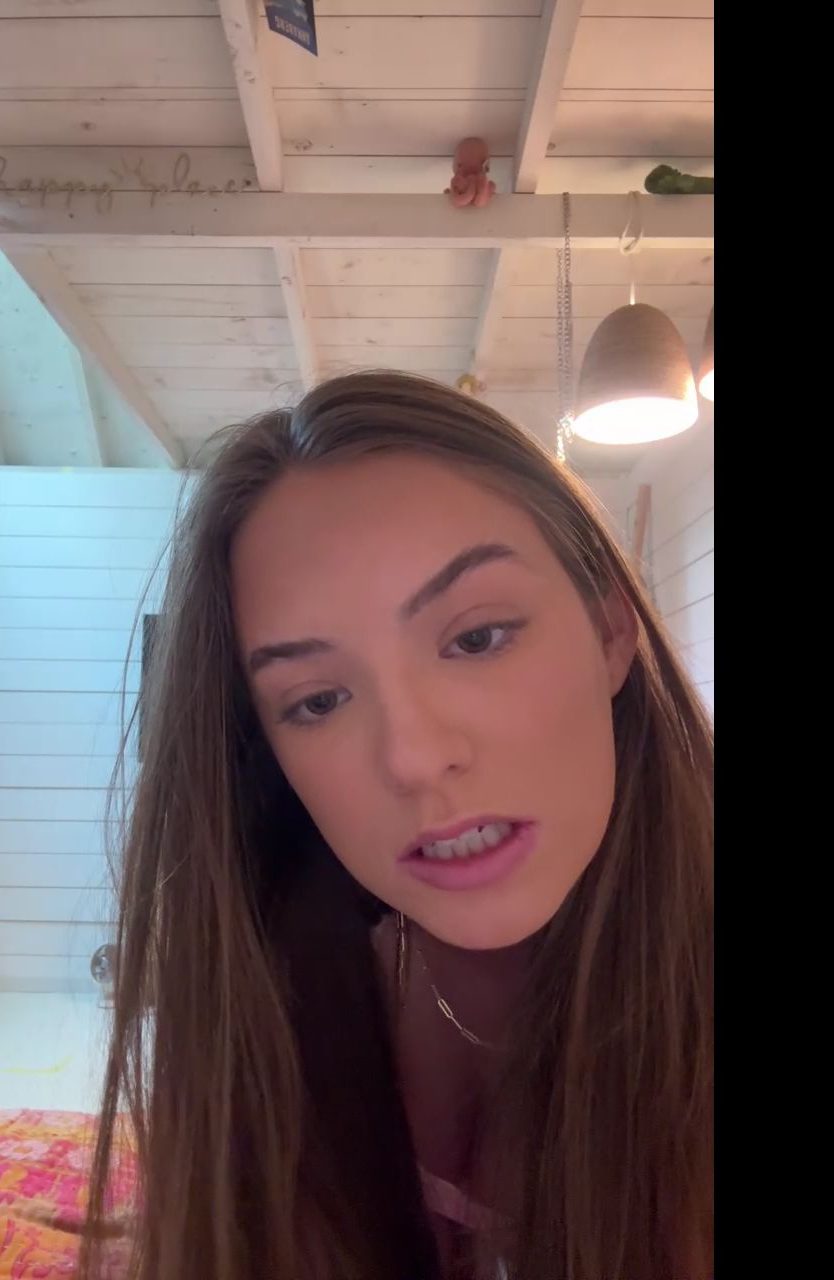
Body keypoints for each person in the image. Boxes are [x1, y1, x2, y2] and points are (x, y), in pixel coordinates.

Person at [82, 372, 714, 1280]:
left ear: (611, 628)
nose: (413, 757)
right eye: (318, 700)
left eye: (477, 638)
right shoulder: (275, 1027)